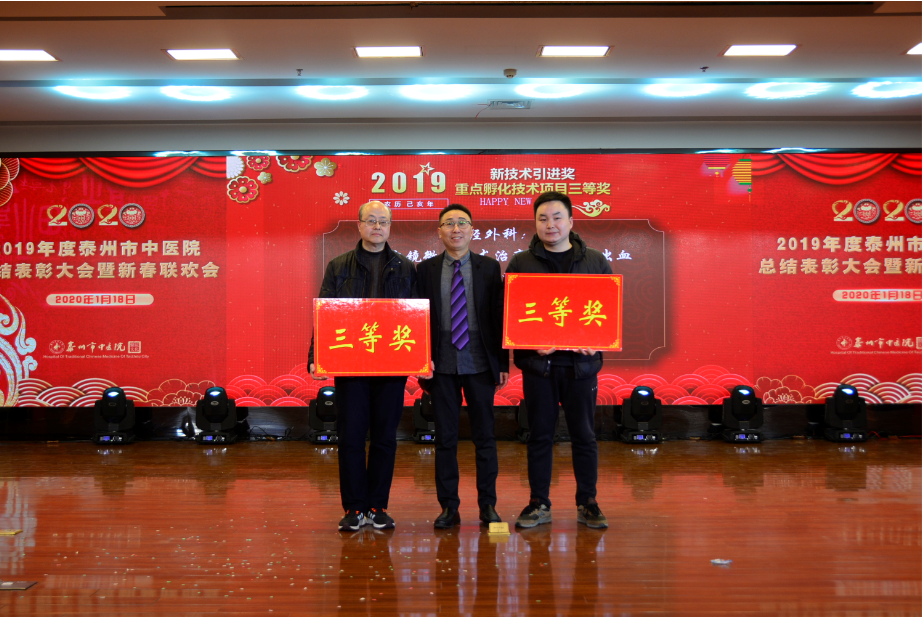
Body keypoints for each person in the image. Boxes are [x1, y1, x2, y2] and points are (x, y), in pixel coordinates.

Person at [308, 200, 418, 532]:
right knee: (351, 437)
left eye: (383, 221)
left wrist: (421, 357)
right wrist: (316, 356)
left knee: (385, 438)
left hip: (391, 365)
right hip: (351, 364)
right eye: (371, 220)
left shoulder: (405, 268)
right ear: (359, 225)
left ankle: (377, 506)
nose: (377, 226)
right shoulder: (339, 265)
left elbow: (416, 317)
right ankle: (354, 508)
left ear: (390, 226)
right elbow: (325, 313)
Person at [505, 191, 611, 529]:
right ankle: (539, 502)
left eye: (557, 217)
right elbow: (511, 315)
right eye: (542, 218)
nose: (550, 224)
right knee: (539, 435)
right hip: (540, 368)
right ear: (535, 223)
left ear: (571, 221)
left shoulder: (595, 261)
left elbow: (607, 312)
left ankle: (588, 502)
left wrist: (597, 341)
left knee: (584, 435)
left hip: (581, 367)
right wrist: (529, 342)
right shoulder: (521, 263)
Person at [417, 204, 509, 529]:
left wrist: (502, 362)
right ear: (439, 231)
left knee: (485, 438)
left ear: (472, 230)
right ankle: (448, 507)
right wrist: (418, 359)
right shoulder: (425, 269)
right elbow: (418, 318)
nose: (455, 229)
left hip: (480, 363)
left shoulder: (489, 267)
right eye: (449, 223)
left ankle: (488, 506)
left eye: (462, 223)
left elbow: (499, 317)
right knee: (445, 439)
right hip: (441, 364)